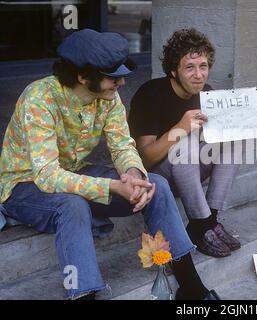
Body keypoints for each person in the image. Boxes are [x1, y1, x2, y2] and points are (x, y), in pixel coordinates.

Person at [0, 29, 220, 300]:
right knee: (72, 205)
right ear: (82, 76)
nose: (122, 84)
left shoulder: (109, 97)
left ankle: (191, 287)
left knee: (156, 184)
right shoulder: (39, 98)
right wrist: (114, 186)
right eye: (113, 77)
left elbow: (122, 145)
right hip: (24, 185)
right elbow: (47, 175)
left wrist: (133, 174)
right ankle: (85, 295)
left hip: (74, 172)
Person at [128, 28, 257, 258]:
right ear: (174, 71)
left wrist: (250, 118)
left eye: (203, 66)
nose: (198, 75)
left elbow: (221, 134)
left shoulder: (206, 94)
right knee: (184, 143)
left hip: (190, 170)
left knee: (232, 137)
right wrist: (180, 128)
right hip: (158, 176)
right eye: (189, 67)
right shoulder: (150, 94)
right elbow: (144, 158)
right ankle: (199, 222)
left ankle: (210, 221)